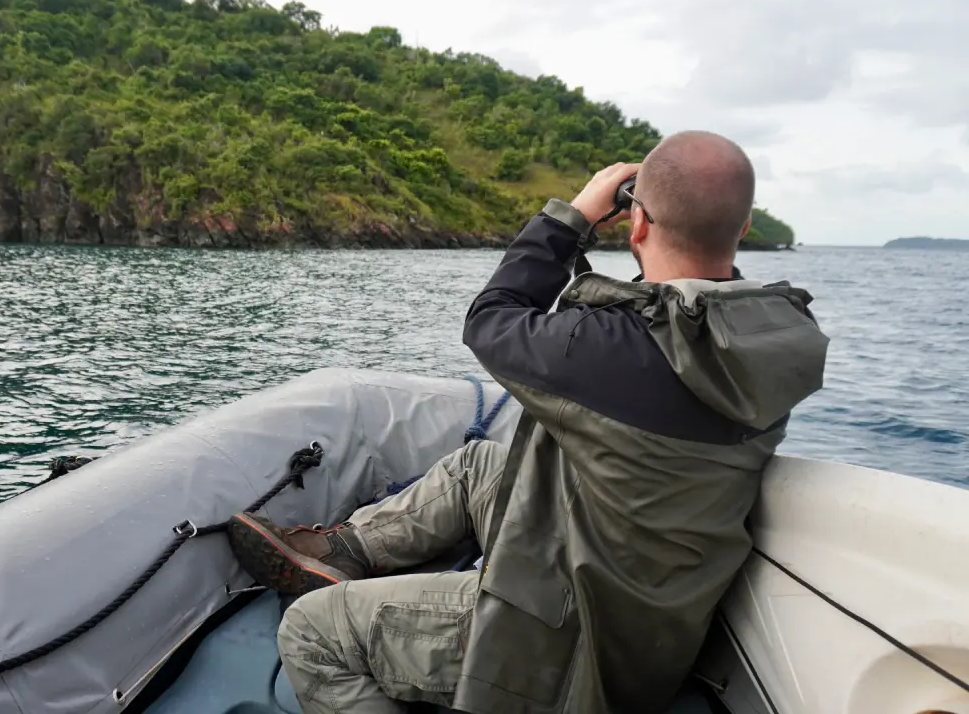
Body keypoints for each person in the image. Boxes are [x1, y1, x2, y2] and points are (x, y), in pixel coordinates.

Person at [226, 130, 830, 714]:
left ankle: (342, 593)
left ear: (638, 222)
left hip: (564, 648)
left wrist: (572, 218)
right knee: (479, 465)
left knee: (311, 632)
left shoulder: (611, 346)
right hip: (653, 624)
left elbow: (490, 320)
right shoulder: (774, 339)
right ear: (744, 227)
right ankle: (343, 552)